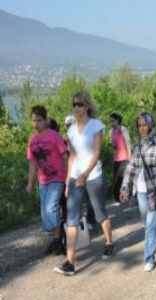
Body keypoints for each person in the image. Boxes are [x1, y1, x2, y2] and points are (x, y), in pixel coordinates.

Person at [54, 92, 114, 276]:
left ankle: (109, 242)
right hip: (75, 177)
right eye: (74, 104)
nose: (76, 107)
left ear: (87, 106)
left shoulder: (96, 126)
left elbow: (96, 153)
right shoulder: (71, 130)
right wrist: (68, 180)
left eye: (79, 104)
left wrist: (85, 174)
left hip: (93, 175)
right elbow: (72, 156)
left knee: (99, 213)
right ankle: (70, 262)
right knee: (72, 217)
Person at [120, 112, 156, 272]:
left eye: (144, 125)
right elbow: (131, 168)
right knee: (147, 222)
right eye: (139, 126)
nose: (142, 128)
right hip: (140, 191)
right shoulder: (137, 146)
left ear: (150, 125)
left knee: (150, 225)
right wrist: (125, 188)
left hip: (155, 190)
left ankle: (148, 257)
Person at [26, 106, 68, 255]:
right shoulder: (32, 140)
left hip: (57, 177)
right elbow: (32, 163)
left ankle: (59, 238)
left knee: (51, 208)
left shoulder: (54, 136)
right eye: (33, 120)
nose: (36, 124)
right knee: (45, 214)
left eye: (39, 120)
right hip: (43, 180)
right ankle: (58, 239)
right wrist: (30, 183)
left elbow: (64, 156)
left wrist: (67, 177)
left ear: (45, 120)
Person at [109, 113, 131, 204]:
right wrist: (112, 146)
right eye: (110, 121)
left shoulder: (123, 129)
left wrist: (130, 157)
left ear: (117, 120)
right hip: (116, 158)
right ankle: (118, 198)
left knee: (122, 178)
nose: (111, 123)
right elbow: (114, 146)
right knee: (115, 179)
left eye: (112, 121)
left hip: (124, 157)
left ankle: (123, 197)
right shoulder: (111, 131)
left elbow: (128, 143)